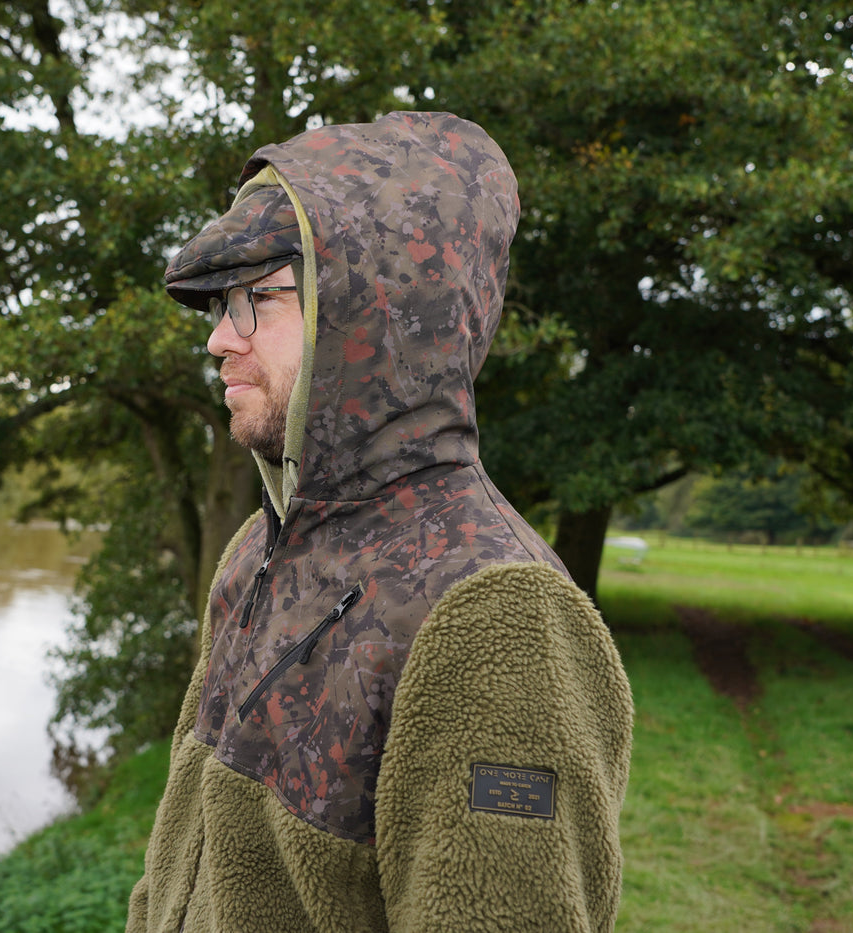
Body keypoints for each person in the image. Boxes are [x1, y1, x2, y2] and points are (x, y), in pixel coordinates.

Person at [126, 112, 633, 933]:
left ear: (372, 315)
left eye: (258, 298)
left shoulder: (494, 615)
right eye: (221, 303)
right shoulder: (258, 550)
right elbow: (174, 872)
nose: (219, 338)